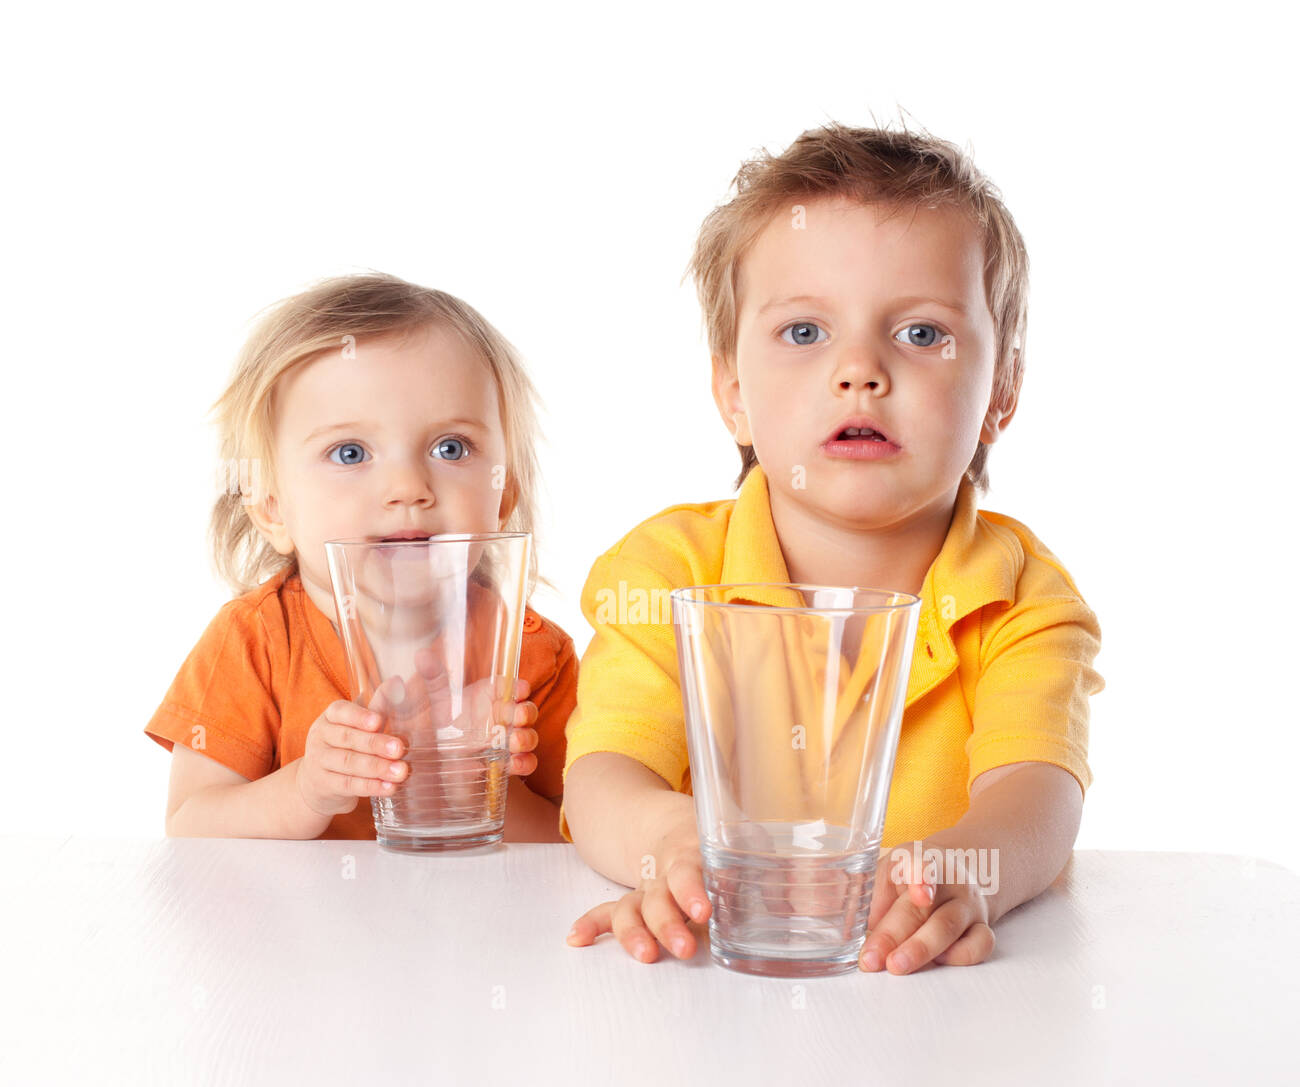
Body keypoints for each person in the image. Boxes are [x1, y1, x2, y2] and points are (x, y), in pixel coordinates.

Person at [562, 122, 1104, 972]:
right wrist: (665, 840)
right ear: (733, 394)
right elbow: (604, 770)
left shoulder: (1022, 596)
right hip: (715, 985)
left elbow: (1037, 790)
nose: (860, 370)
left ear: (1001, 392)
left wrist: (960, 873)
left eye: (921, 333)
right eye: (806, 333)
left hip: (932, 1011)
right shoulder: (667, 573)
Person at [145, 273, 576, 841]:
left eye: (451, 448)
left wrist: (471, 779)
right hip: (302, 931)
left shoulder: (535, 656)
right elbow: (190, 826)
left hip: (471, 929)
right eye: (350, 453)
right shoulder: (255, 642)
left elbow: (580, 845)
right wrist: (304, 790)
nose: (407, 487)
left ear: (504, 497)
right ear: (274, 508)